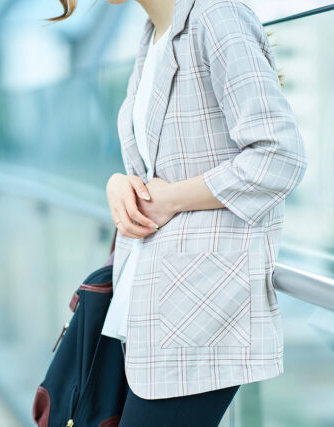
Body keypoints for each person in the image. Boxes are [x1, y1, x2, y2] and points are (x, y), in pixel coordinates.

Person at [47, 0, 308, 426]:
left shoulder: (216, 16)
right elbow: (158, 170)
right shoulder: (152, 36)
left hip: (200, 317)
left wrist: (171, 199)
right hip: (145, 308)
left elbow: (280, 156)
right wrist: (120, 183)